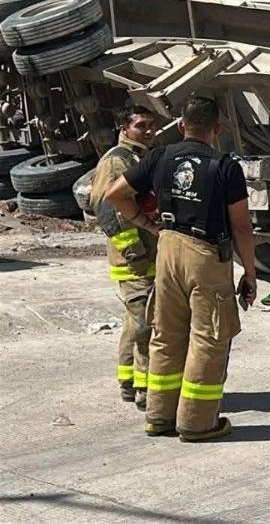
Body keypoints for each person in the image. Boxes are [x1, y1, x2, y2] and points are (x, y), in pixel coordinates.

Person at [106, 96, 257, 442]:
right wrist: (249, 273)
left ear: (181, 126)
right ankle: (197, 423)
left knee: (166, 335)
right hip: (205, 256)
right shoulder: (224, 166)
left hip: (168, 250)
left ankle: (159, 417)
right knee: (209, 337)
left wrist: (149, 224)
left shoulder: (159, 156)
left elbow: (115, 194)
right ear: (217, 130)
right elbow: (242, 227)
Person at [91, 104, 159, 410]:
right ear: (124, 129)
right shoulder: (117, 160)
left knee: (135, 323)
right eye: (141, 125)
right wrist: (134, 251)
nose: (148, 131)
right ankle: (145, 388)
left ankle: (129, 383)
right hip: (133, 259)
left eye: (151, 125)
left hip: (144, 256)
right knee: (147, 323)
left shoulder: (138, 158)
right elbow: (108, 210)